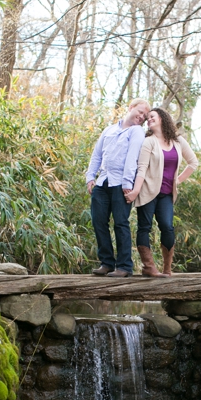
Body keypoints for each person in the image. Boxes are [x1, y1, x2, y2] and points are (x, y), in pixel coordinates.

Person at [125, 107, 198, 277]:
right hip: (147, 191)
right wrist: (136, 190)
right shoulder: (149, 141)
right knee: (145, 227)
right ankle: (149, 267)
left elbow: (193, 163)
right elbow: (141, 168)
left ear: (163, 118)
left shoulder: (177, 140)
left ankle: (167, 269)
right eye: (148, 118)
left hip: (166, 193)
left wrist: (177, 180)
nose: (149, 119)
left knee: (167, 227)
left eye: (152, 116)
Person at [84, 98, 150, 277]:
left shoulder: (137, 132)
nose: (142, 117)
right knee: (99, 221)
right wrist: (91, 177)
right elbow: (96, 155)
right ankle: (106, 263)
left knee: (121, 223)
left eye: (145, 116)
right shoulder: (109, 130)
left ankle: (124, 266)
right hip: (103, 182)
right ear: (131, 107)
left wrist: (127, 184)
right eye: (141, 112)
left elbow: (132, 157)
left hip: (121, 184)